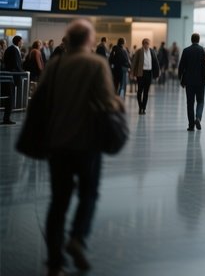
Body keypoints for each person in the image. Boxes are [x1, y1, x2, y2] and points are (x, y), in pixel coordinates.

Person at [39, 19, 122, 275]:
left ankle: (55, 262)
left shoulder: (55, 66)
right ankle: (77, 237)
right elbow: (108, 102)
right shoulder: (96, 64)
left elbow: (40, 104)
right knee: (89, 193)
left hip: (59, 143)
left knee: (58, 200)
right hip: (88, 143)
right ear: (88, 40)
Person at [178, 33, 205, 131]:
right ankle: (198, 117)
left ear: (191, 40)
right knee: (200, 101)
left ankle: (191, 125)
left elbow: (181, 66)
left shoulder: (186, 50)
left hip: (189, 81)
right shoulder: (203, 50)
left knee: (190, 103)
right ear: (198, 40)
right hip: (201, 81)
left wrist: (180, 78)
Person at [131, 38, 160, 115]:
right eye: (146, 43)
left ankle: (144, 108)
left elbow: (156, 62)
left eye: (148, 43)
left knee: (146, 92)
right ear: (143, 44)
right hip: (141, 73)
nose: (147, 44)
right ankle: (140, 107)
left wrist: (157, 73)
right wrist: (132, 73)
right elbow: (134, 63)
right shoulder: (139, 51)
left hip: (149, 73)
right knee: (140, 91)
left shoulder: (152, 51)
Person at [2, 35, 24, 124]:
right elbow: (15, 64)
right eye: (22, 41)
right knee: (10, 97)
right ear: (18, 41)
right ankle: (6, 118)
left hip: (11, 76)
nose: (22, 43)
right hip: (10, 77)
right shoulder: (13, 49)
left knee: (10, 97)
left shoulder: (13, 49)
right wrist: (22, 72)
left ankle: (7, 118)